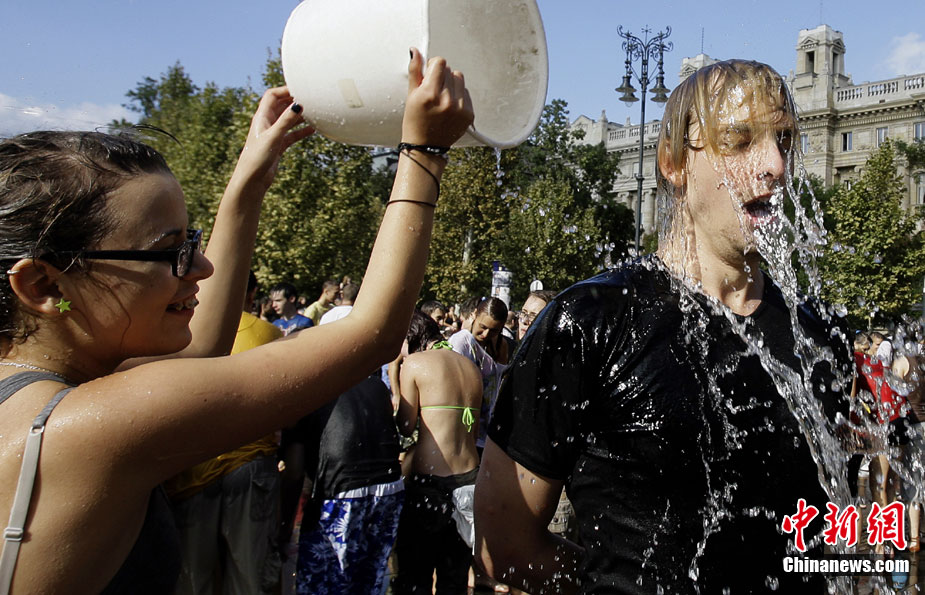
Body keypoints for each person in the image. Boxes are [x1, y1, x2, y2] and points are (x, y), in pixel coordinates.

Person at [0, 49, 472, 594]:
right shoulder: (89, 425)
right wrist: (424, 154)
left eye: (194, 241)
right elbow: (369, 335)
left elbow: (202, 346)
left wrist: (249, 183)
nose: (201, 268)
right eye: (169, 252)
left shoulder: (35, 397)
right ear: (45, 285)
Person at [475, 59, 853, 594]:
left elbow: (827, 538)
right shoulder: (589, 322)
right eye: (740, 141)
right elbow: (504, 543)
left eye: (785, 141)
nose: (774, 165)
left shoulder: (820, 337)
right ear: (674, 163)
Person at [167, 270, 283, 594]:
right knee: (249, 579)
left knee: (193, 581)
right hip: (250, 468)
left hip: (189, 472)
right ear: (252, 295)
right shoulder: (270, 334)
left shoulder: (177, 333)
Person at [392, 311, 482, 594]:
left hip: (429, 483)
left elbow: (405, 426)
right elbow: (473, 429)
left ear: (411, 338)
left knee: (414, 576)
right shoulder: (471, 367)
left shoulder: (415, 363)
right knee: (454, 579)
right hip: (470, 481)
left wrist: (396, 383)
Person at [289, 375, 404, 594]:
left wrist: (284, 527)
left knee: (322, 585)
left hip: (341, 491)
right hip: (389, 488)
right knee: (368, 583)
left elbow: (294, 471)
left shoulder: (306, 390)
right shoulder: (374, 382)